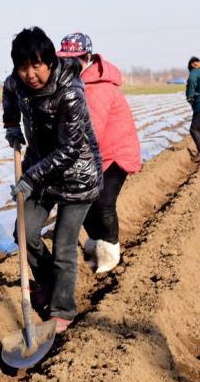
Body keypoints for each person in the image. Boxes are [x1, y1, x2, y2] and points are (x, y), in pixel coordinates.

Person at [3, 27, 103, 334]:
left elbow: (70, 149)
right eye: (23, 67)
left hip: (77, 175)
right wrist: (11, 126)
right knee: (24, 231)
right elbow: (8, 90)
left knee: (63, 245)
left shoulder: (69, 92)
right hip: (42, 169)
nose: (30, 74)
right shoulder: (16, 82)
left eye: (36, 66)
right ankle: (47, 282)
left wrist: (31, 177)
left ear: (49, 61)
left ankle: (62, 310)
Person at [57, 32, 141, 274]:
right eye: (65, 60)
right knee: (87, 202)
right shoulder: (77, 83)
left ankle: (111, 255)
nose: (69, 65)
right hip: (96, 155)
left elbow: (89, 129)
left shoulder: (97, 87)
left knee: (103, 203)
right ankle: (95, 247)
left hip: (115, 154)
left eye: (75, 60)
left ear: (88, 57)